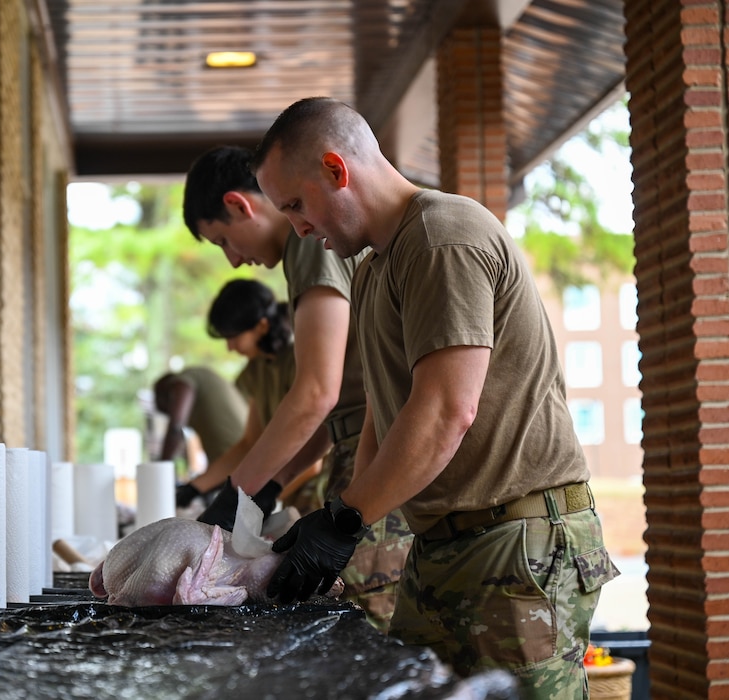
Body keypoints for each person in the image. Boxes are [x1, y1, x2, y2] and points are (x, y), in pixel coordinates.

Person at [252, 96, 620, 696]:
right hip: (441, 543)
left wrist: (345, 521)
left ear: (336, 170)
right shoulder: (374, 268)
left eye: (295, 205)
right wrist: (342, 520)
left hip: (518, 545)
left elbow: (448, 411)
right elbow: (384, 412)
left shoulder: (442, 237)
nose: (297, 227)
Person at [182, 145, 412, 630]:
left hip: (374, 450)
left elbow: (315, 394)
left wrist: (237, 494)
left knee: (364, 622)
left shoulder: (308, 245)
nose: (234, 260)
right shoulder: (306, 251)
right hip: (356, 445)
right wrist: (265, 487)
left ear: (239, 205)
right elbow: (329, 413)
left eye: (223, 240)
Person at [181, 278, 324, 515]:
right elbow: (250, 444)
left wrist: (258, 498)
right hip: (286, 497)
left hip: (318, 498)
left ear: (261, 326)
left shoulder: (300, 361)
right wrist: (195, 487)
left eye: (234, 337)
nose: (230, 347)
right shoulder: (255, 371)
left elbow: (313, 461)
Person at [153, 366, 248, 488]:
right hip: (230, 465)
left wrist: (160, 470)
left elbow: (175, 428)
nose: (170, 413)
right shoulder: (201, 386)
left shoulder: (184, 380)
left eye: (168, 409)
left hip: (238, 461)